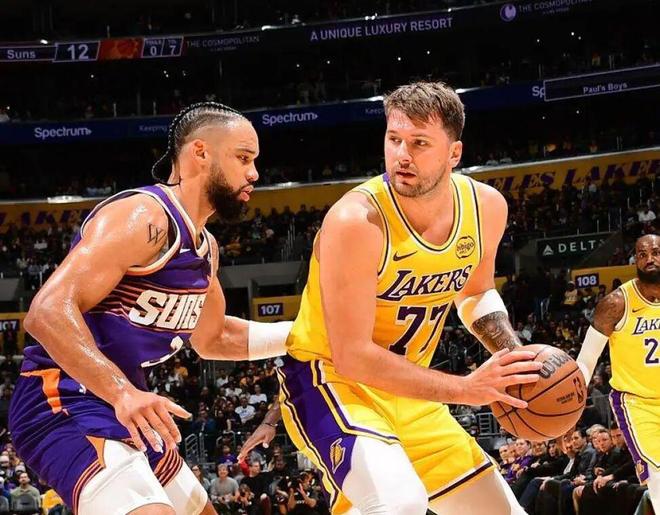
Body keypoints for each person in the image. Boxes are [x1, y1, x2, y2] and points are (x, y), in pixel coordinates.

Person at [273, 82, 544, 514]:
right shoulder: (356, 220)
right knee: (400, 502)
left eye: (419, 143)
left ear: (454, 153)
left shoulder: (486, 207)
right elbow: (352, 356)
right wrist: (466, 389)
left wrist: (513, 355)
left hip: (410, 390)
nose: (402, 154)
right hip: (331, 382)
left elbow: (476, 291)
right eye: (394, 139)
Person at [8, 102, 290, 515]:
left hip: (127, 405)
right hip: (62, 398)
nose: (254, 174)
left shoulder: (206, 248)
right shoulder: (144, 216)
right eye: (244, 158)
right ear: (200, 153)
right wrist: (122, 392)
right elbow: (47, 310)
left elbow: (214, 338)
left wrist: (311, 333)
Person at [576, 233, 660, 513]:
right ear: (635, 259)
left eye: (656, 252)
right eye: (643, 254)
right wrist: (571, 403)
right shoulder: (615, 303)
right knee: (657, 471)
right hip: (637, 403)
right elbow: (587, 360)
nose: (650, 259)